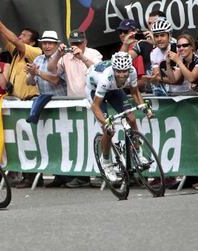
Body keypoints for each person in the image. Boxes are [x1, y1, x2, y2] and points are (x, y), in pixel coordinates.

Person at [44, 29, 102, 188]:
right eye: (73, 43)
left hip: (94, 102)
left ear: (85, 42)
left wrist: (81, 57)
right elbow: (51, 69)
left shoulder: (93, 53)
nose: (76, 46)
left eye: (79, 43)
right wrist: (58, 54)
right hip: (75, 104)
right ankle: (83, 176)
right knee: (79, 141)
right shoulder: (66, 57)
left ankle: (101, 173)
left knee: (98, 137)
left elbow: (100, 71)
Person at [86, 52, 152, 182]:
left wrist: (144, 107)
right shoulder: (106, 78)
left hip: (114, 89)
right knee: (108, 130)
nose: (122, 75)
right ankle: (106, 162)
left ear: (129, 69)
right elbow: (95, 106)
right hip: (95, 90)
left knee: (131, 118)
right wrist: (106, 123)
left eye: (124, 71)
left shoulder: (132, 71)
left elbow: (135, 92)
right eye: (119, 72)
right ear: (114, 69)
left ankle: (138, 153)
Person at [0, 5, 41, 100]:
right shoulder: (16, 52)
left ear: (33, 42)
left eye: (24, 36)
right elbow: (4, 36)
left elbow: (15, 40)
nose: (20, 37)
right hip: (15, 101)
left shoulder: (36, 52)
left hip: (30, 100)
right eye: (20, 34)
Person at [25, 31, 66, 124]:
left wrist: (37, 72)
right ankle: (33, 115)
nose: (47, 46)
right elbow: (29, 83)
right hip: (45, 107)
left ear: (56, 45)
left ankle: (33, 115)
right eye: (44, 43)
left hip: (62, 105)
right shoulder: (37, 59)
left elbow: (56, 81)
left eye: (50, 43)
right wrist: (32, 74)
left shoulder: (63, 59)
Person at [148, 18, 178, 95]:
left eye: (162, 35)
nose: (159, 39)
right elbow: (156, 78)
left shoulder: (178, 49)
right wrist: (152, 79)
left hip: (186, 92)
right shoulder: (154, 53)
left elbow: (176, 80)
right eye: (156, 36)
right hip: (167, 93)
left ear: (169, 35)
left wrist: (158, 78)